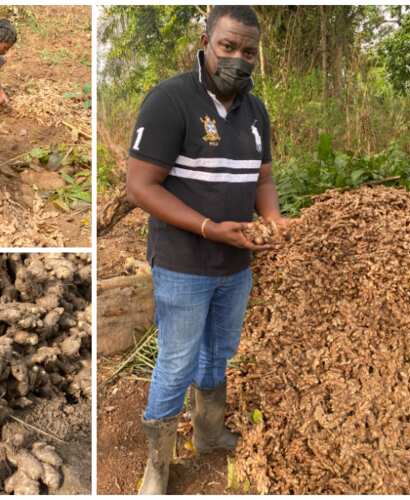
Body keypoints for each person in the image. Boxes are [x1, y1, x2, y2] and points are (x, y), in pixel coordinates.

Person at [125, 5, 290, 495]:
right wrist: (206, 226)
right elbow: (140, 186)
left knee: (219, 352)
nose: (238, 59)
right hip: (184, 263)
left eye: (248, 51)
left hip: (236, 262)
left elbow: (263, 177)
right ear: (205, 41)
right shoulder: (170, 100)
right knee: (177, 360)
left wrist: (274, 222)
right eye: (228, 46)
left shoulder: (255, 111)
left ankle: (210, 432)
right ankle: (158, 462)